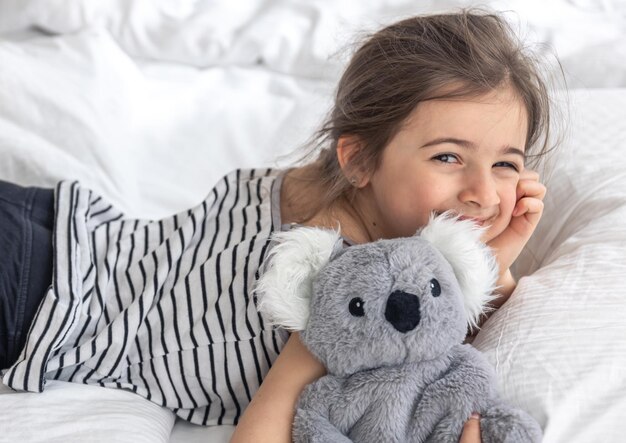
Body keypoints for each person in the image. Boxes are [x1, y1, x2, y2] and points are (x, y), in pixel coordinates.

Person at [0, 8, 556, 443]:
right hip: (36, 296)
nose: (485, 193)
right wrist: (485, 267)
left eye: (506, 163)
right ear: (358, 161)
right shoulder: (346, 290)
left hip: (61, 228)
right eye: (447, 158)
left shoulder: (333, 192)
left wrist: (491, 265)